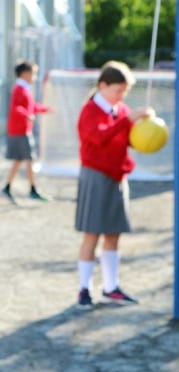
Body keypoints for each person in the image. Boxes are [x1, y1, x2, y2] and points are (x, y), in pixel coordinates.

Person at [75, 61, 153, 310]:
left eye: (124, 92)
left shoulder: (120, 110)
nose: (121, 96)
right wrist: (126, 120)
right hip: (96, 176)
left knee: (113, 234)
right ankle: (84, 289)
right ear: (103, 85)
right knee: (92, 234)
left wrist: (144, 127)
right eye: (118, 90)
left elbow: (127, 139)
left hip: (118, 177)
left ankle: (111, 287)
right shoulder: (90, 111)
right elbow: (98, 137)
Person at [1, 60, 52, 204]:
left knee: (20, 160)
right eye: (33, 73)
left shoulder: (24, 89)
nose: (34, 77)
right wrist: (27, 115)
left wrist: (44, 109)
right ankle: (33, 189)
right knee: (29, 159)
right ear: (24, 74)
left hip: (23, 129)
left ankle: (8, 186)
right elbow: (16, 108)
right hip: (20, 130)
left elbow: (30, 106)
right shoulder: (19, 89)